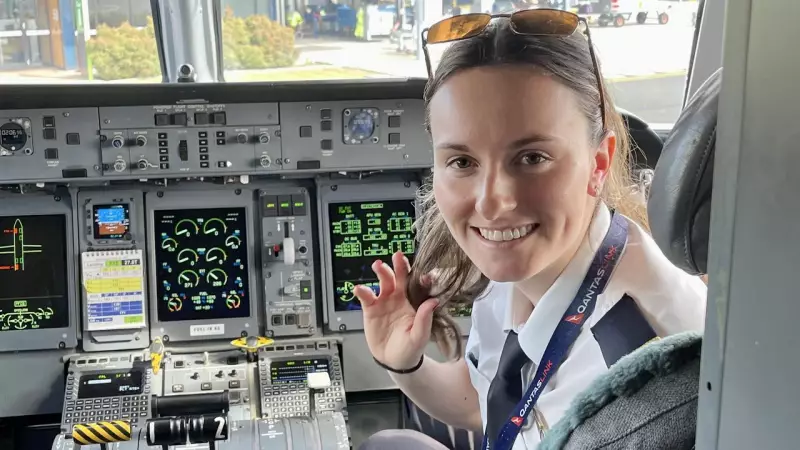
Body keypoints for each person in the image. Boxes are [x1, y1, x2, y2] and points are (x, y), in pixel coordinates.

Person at [355, 10, 707, 450]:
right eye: (462, 162)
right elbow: (483, 402)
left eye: (532, 158)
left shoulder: (640, 374)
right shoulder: (523, 265)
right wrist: (404, 364)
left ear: (598, 164)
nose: (491, 203)